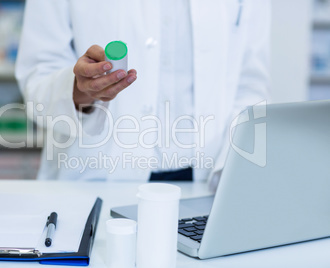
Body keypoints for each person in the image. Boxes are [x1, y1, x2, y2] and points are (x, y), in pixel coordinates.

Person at [16, 0, 271, 185]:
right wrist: (82, 89)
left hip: (206, 178)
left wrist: (234, 172)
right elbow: (37, 80)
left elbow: (250, 84)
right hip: (98, 177)